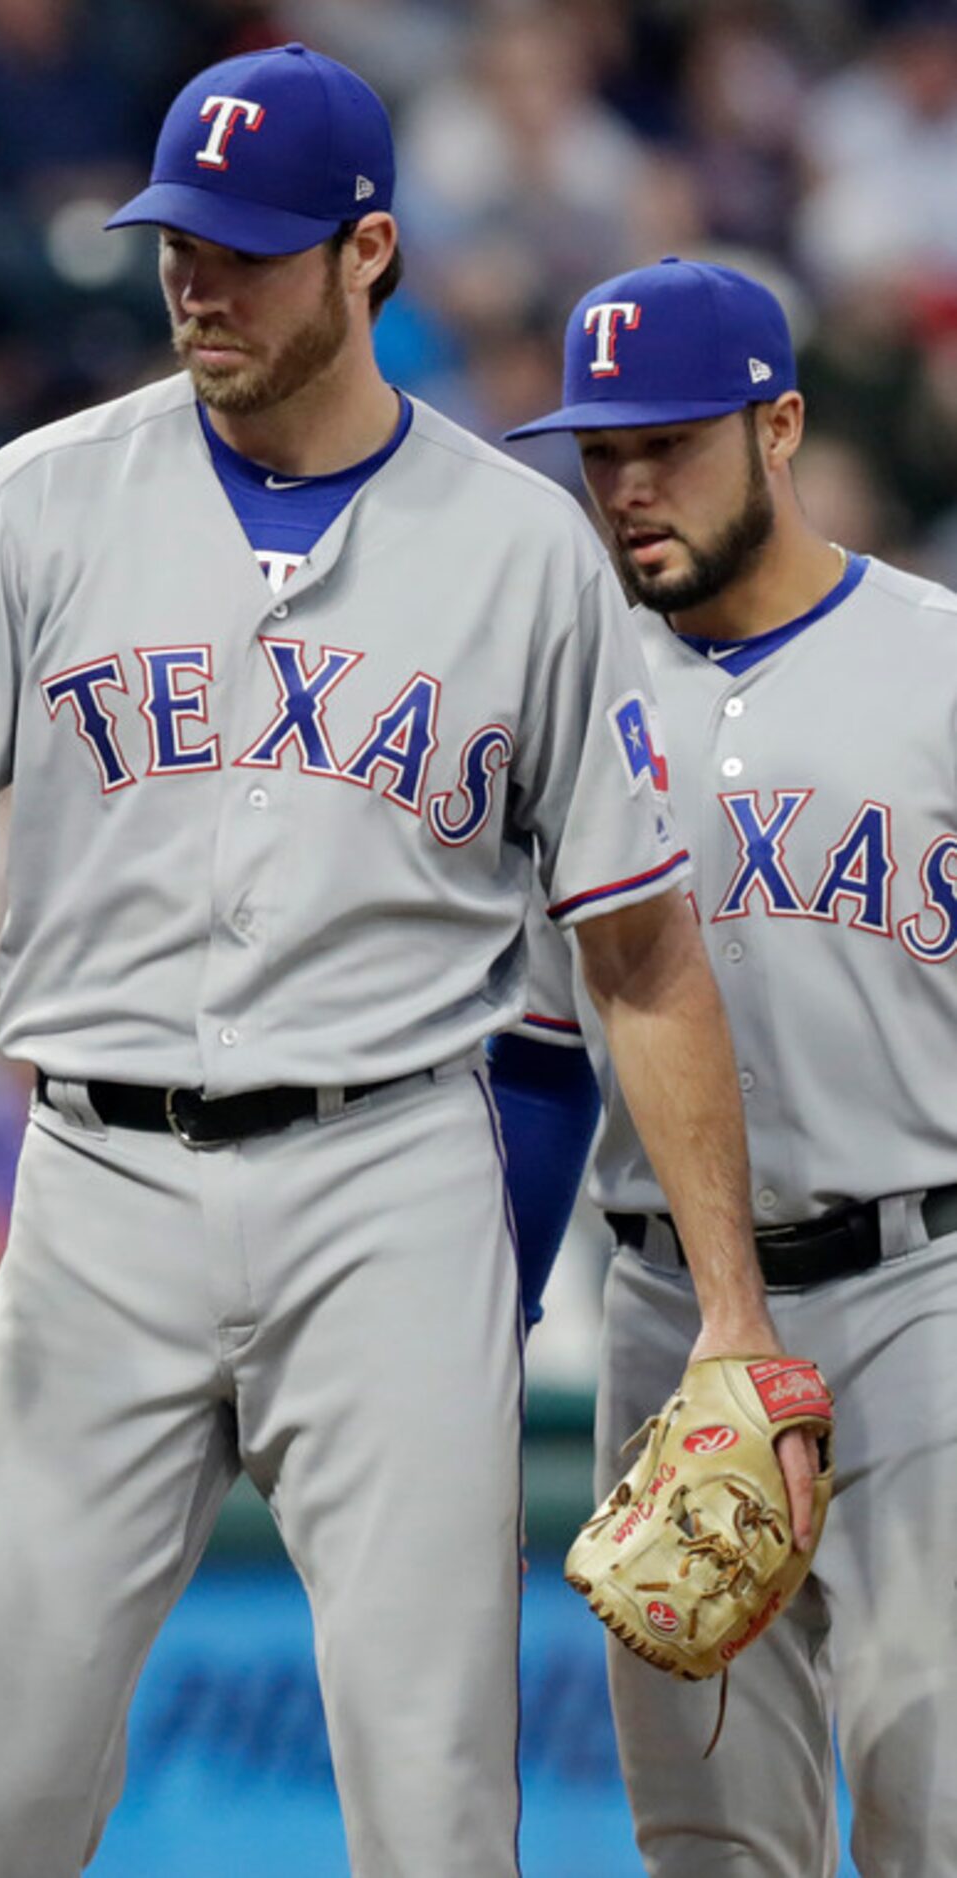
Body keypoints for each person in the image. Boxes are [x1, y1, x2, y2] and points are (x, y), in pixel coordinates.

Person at [0, 46, 821, 1876]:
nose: (194, 281)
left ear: (366, 252)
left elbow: (637, 957)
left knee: (433, 1804)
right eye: (175, 242)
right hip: (97, 1178)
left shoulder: (518, 549)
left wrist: (728, 1307)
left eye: (243, 247)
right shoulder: (36, 502)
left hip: (386, 1172)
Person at [494, 258, 957, 1878]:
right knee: (703, 1834)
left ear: (778, 427)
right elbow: (535, 1045)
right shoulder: (565, 685)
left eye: (665, 445)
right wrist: (495, 1310)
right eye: (597, 452)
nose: (624, 488)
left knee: (936, 1779)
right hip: (662, 1313)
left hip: (923, 1283)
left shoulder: (936, 662)